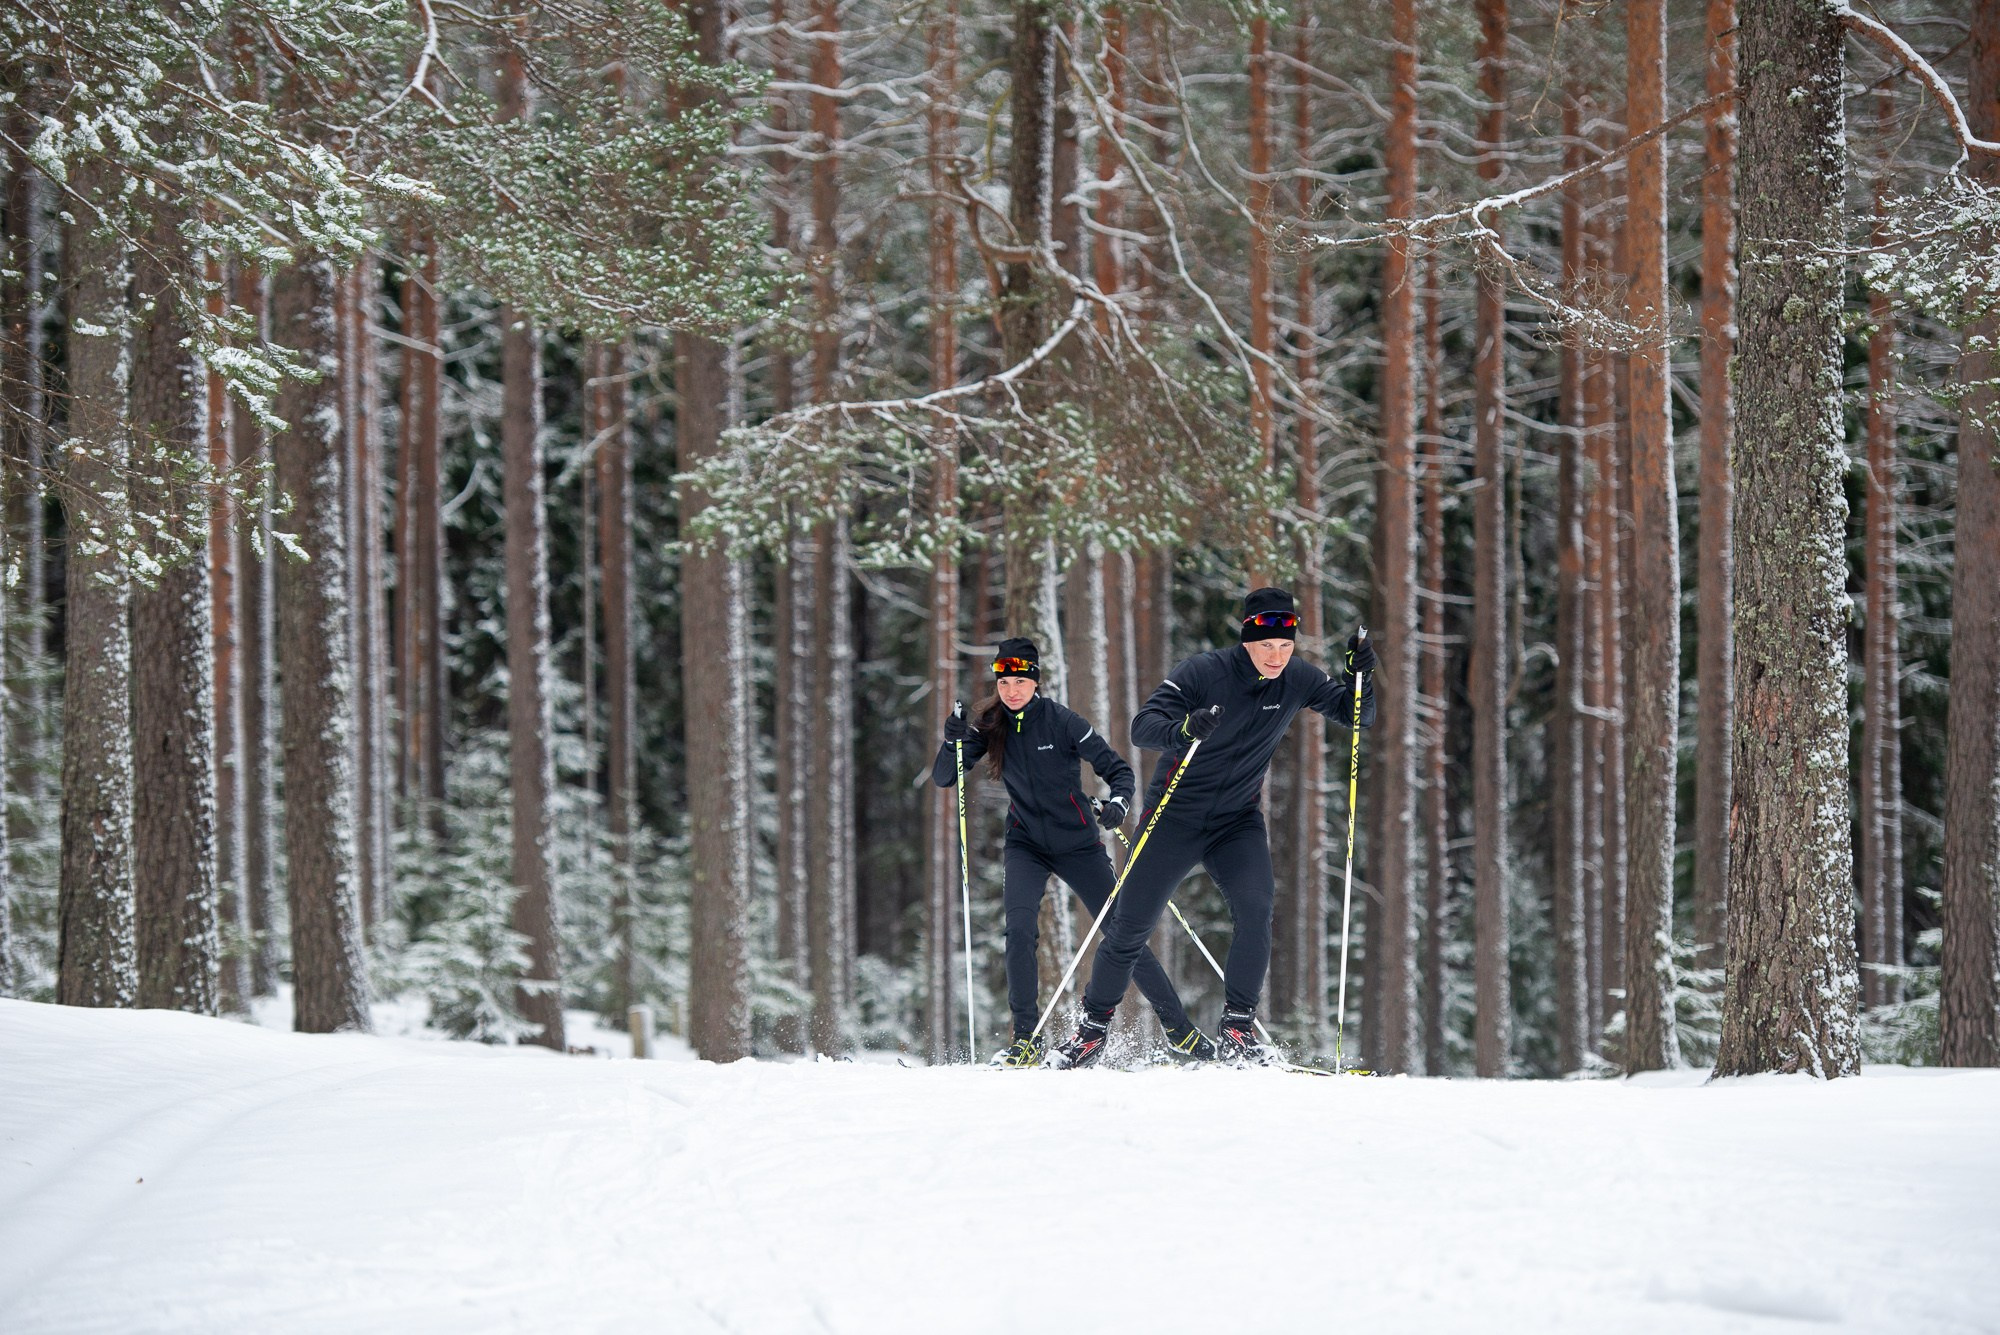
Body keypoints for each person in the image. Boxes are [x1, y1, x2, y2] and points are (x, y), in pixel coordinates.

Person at [1046, 588, 1377, 1069]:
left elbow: (1356, 715)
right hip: (1173, 818)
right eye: (1266, 646)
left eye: (1285, 646)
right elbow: (1143, 727)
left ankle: (1238, 1029)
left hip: (1236, 822)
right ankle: (1091, 1033)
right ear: (1246, 639)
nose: (1276, 657)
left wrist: (1360, 676)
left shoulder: (1297, 677)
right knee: (1128, 927)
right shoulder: (1204, 672)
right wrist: (1183, 729)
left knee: (1256, 909)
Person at [933, 637, 1215, 1068]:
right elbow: (944, 777)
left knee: (1123, 932)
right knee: (1019, 930)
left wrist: (1118, 803)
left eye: (1020, 681)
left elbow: (1118, 770)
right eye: (1004, 682)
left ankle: (1179, 1029)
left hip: (1077, 845)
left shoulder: (1063, 721)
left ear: (1035, 681)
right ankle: (1025, 1040)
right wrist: (951, 742)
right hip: (1025, 843)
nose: (1012, 690)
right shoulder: (991, 725)